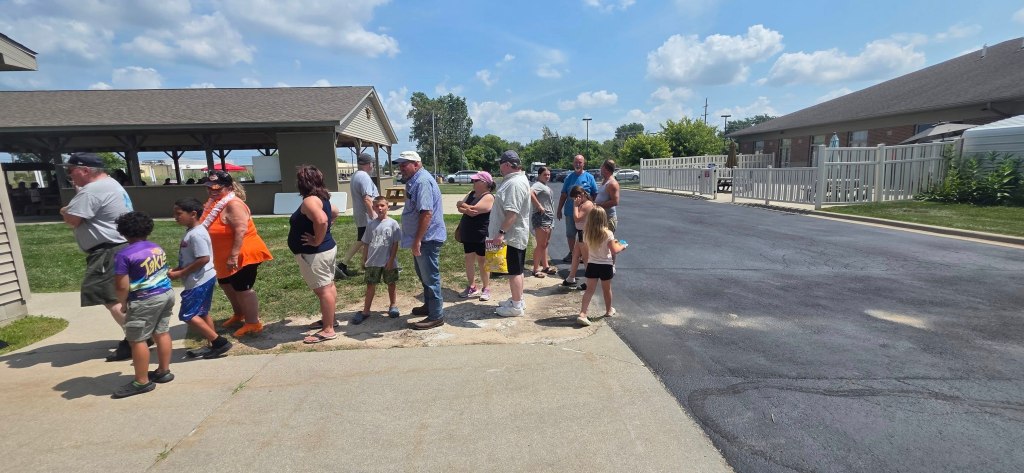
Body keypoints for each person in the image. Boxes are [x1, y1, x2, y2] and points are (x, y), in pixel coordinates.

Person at [59, 152, 136, 362]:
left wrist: (64, 210)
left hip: (108, 252)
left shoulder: (92, 190)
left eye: (71, 170)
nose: (69, 174)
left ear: (85, 170)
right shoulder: (110, 184)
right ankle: (139, 335)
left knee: (110, 297)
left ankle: (136, 339)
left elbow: (73, 220)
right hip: (120, 246)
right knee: (123, 296)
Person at [110, 211, 175, 398]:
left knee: (137, 339)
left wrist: (123, 303)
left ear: (123, 232)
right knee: (161, 332)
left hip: (144, 300)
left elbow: (121, 286)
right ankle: (163, 371)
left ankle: (141, 381)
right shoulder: (156, 247)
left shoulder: (124, 255)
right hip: (166, 293)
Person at [201, 171, 273, 337]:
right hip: (222, 256)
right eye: (209, 187)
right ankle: (239, 314)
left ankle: (253, 322)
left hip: (242, 253)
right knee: (226, 283)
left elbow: (241, 230)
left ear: (229, 188)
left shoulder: (234, 204)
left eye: (217, 188)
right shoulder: (214, 203)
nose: (212, 190)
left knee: (242, 288)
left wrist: (233, 256)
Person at [168, 197, 232, 359]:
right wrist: (178, 269)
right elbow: (193, 258)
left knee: (187, 315)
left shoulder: (196, 234)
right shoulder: (192, 232)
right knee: (202, 313)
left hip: (199, 280)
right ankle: (213, 346)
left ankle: (219, 342)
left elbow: (203, 258)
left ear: (193, 214)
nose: (175, 217)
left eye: (179, 213)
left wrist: (181, 273)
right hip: (199, 278)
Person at [288, 166, 342, 344]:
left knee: (323, 290)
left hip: (315, 254)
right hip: (325, 250)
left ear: (302, 183)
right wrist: (324, 232)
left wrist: (317, 240)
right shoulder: (322, 198)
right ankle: (330, 319)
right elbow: (334, 211)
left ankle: (328, 329)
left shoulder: (310, 200)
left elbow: (322, 220)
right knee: (328, 286)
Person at [395, 150, 447, 330]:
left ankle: (436, 316)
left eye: (405, 164)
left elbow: (426, 213)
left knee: (430, 277)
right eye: (400, 164)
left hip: (427, 239)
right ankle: (429, 306)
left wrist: (417, 240)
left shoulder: (422, 182)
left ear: (416, 164)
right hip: (421, 239)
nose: (401, 168)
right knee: (423, 275)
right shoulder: (415, 180)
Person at [486, 150, 532, 317]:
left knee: (514, 271)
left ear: (507, 165)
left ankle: (516, 306)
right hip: (512, 235)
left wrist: (501, 233)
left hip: (511, 236)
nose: (499, 167)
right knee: (516, 270)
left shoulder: (514, 183)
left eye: (500, 164)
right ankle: (517, 299)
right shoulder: (514, 180)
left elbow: (512, 213)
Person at [353, 196, 402, 325]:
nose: (379, 208)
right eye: (376, 206)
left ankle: (393, 305)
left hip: (388, 261)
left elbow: (395, 244)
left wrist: (391, 260)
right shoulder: (371, 224)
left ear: (388, 207)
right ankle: (366, 310)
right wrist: (364, 258)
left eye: (382, 205)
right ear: (373, 208)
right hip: (373, 261)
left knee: (391, 283)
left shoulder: (393, 223)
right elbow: (366, 243)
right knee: (370, 285)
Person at [576, 207, 627, 327]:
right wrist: (622, 245)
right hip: (605, 265)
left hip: (592, 264)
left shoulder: (587, 233)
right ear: (603, 218)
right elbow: (614, 250)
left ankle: (583, 313)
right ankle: (609, 310)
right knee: (606, 290)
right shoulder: (608, 233)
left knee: (589, 290)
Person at [337, 152, 379, 278]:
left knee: (365, 241)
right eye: (372, 163)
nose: (373, 166)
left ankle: (364, 264)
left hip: (362, 215)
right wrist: (374, 216)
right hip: (367, 216)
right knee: (363, 240)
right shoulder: (364, 177)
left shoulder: (356, 175)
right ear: (369, 164)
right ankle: (343, 265)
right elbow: (367, 199)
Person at [455, 171, 495, 301]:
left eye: (476, 180)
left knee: (482, 260)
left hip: (481, 232)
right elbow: (460, 207)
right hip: (468, 231)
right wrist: (465, 207)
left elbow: (473, 211)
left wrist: (463, 206)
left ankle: (486, 288)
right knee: (469, 258)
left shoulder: (488, 196)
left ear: (485, 183)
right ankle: (472, 286)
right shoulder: (471, 193)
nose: (474, 182)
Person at [556, 154, 597, 263]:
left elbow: (595, 193)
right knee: (570, 234)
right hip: (570, 211)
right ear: (573, 163)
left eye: (580, 162)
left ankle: (584, 254)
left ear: (584, 164)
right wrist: (559, 209)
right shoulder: (569, 178)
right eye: (576, 162)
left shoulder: (589, 177)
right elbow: (564, 195)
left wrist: (592, 206)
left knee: (585, 234)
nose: (578, 164)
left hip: (585, 213)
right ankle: (572, 253)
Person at [561, 186, 595, 290]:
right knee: (575, 255)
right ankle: (571, 277)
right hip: (581, 233)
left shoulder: (587, 205)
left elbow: (577, 218)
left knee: (585, 258)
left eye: (575, 199)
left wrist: (575, 206)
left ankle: (590, 281)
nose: (574, 201)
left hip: (585, 234)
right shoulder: (583, 204)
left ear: (580, 196)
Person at [529, 166, 558, 277]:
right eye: (545, 175)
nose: (547, 176)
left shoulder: (545, 186)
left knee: (545, 243)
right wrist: (539, 206)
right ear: (539, 175)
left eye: (548, 175)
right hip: (541, 217)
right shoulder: (538, 185)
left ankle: (545, 266)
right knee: (541, 244)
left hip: (549, 217)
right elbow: (530, 193)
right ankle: (535, 269)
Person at [595, 160, 620, 231]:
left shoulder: (612, 183)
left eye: (601, 167)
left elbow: (615, 202)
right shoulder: (604, 181)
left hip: (608, 219)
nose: (600, 169)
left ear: (605, 169)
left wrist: (598, 206)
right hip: (601, 218)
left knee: (607, 238)